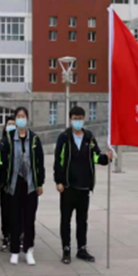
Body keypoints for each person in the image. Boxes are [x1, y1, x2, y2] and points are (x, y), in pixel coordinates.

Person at [54, 106, 112, 264]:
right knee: (65, 220)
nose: (77, 121)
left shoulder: (88, 137)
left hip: (84, 187)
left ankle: (82, 248)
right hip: (68, 187)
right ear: (70, 119)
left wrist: (106, 158)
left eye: (80, 118)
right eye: (75, 118)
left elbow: (95, 156)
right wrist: (59, 181)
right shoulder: (64, 137)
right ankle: (66, 249)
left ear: (83, 119)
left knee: (82, 220)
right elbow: (58, 161)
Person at [0, 106, 45, 266]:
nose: (21, 119)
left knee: (29, 220)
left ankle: (29, 250)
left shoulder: (35, 139)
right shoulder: (9, 139)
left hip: (30, 185)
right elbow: (1, 160)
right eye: (18, 116)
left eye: (23, 116)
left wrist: (40, 183)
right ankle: (15, 251)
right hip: (14, 185)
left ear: (27, 119)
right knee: (15, 219)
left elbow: (40, 163)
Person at [0, 116, 16, 252]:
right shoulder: (1, 144)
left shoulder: (21, 142)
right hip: (4, 183)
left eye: (14, 123)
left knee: (17, 210)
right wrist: (8, 167)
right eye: (9, 124)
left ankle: (17, 234)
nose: (11, 126)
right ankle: (6, 234)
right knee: (5, 209)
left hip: (18, 183)